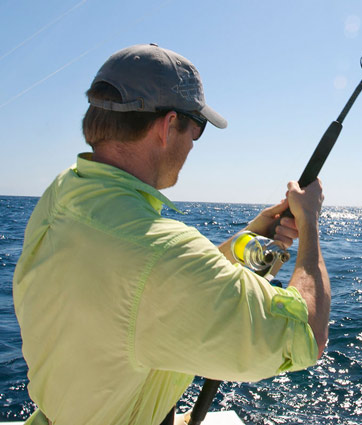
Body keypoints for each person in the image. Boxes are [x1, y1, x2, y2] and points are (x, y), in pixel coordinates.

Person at [12, 43, 331, 425]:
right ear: (166, 126)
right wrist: (309, 222)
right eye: (196, 129)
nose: (193, 144)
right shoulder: (159, 257)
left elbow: (148, 282)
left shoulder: (63, 193)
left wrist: (251, 234)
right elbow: (309, 335)